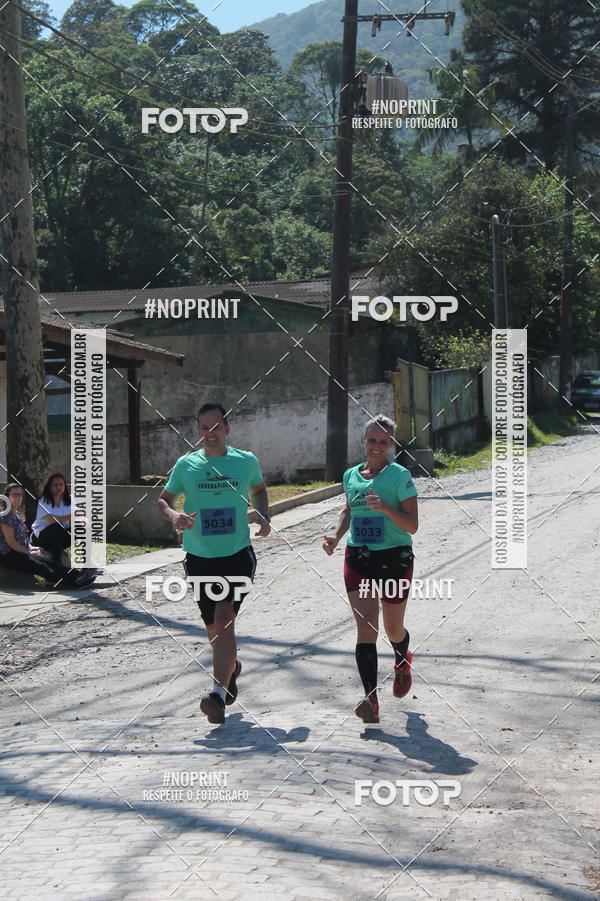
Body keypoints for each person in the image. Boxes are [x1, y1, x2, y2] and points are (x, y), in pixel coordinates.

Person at [158, 403, 271, 725]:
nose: (210, 433)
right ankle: (231, 667)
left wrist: (264, 514)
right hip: (198, 558)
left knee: (223, 621)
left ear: (227, 429)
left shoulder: (245, 461)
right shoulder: (186, 465)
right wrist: (174, 516)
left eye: (216, 427)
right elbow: (163, 500)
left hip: (237, 555)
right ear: (198, 432)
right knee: (214, 629)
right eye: (204, 428)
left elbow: (260, 489)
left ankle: (216, 696)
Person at [323, 415, 418, 724]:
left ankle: (402, 659)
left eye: (383, 441)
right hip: (359, 558)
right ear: (363, 442)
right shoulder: (351, 475)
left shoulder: (399, 476)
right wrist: (336, 537)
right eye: (372, 440)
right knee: (366, 628)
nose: (377, 446)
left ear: (390, 444)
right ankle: (370, 698)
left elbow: (412, 525)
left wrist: (385, 508)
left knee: (392, 629)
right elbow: (349, 508)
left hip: (394, 558)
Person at [0, 483, 96, 589]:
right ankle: (74, 583)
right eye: (14, 494)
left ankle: (78, 576)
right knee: (42, 566)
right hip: (10, 555)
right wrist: (28, 553)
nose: (18, 497)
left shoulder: (16, 514)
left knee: (50, 561)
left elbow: (23, 539)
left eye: (20, 494)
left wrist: (32, 548)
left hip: (21, 551)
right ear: (7, 496)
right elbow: (11, 542)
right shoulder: (5, 517)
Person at [31, 473, 72, 564]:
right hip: (41, 538)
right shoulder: (43, 501)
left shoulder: (70, 500)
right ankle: (57, 563)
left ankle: (88, 565)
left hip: (60, 537)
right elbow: (51, 520)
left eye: (61, 484)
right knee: (57, 525)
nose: (59, 487)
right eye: (55, 485)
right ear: (49, 486)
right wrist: (71, 516)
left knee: (82, 527)